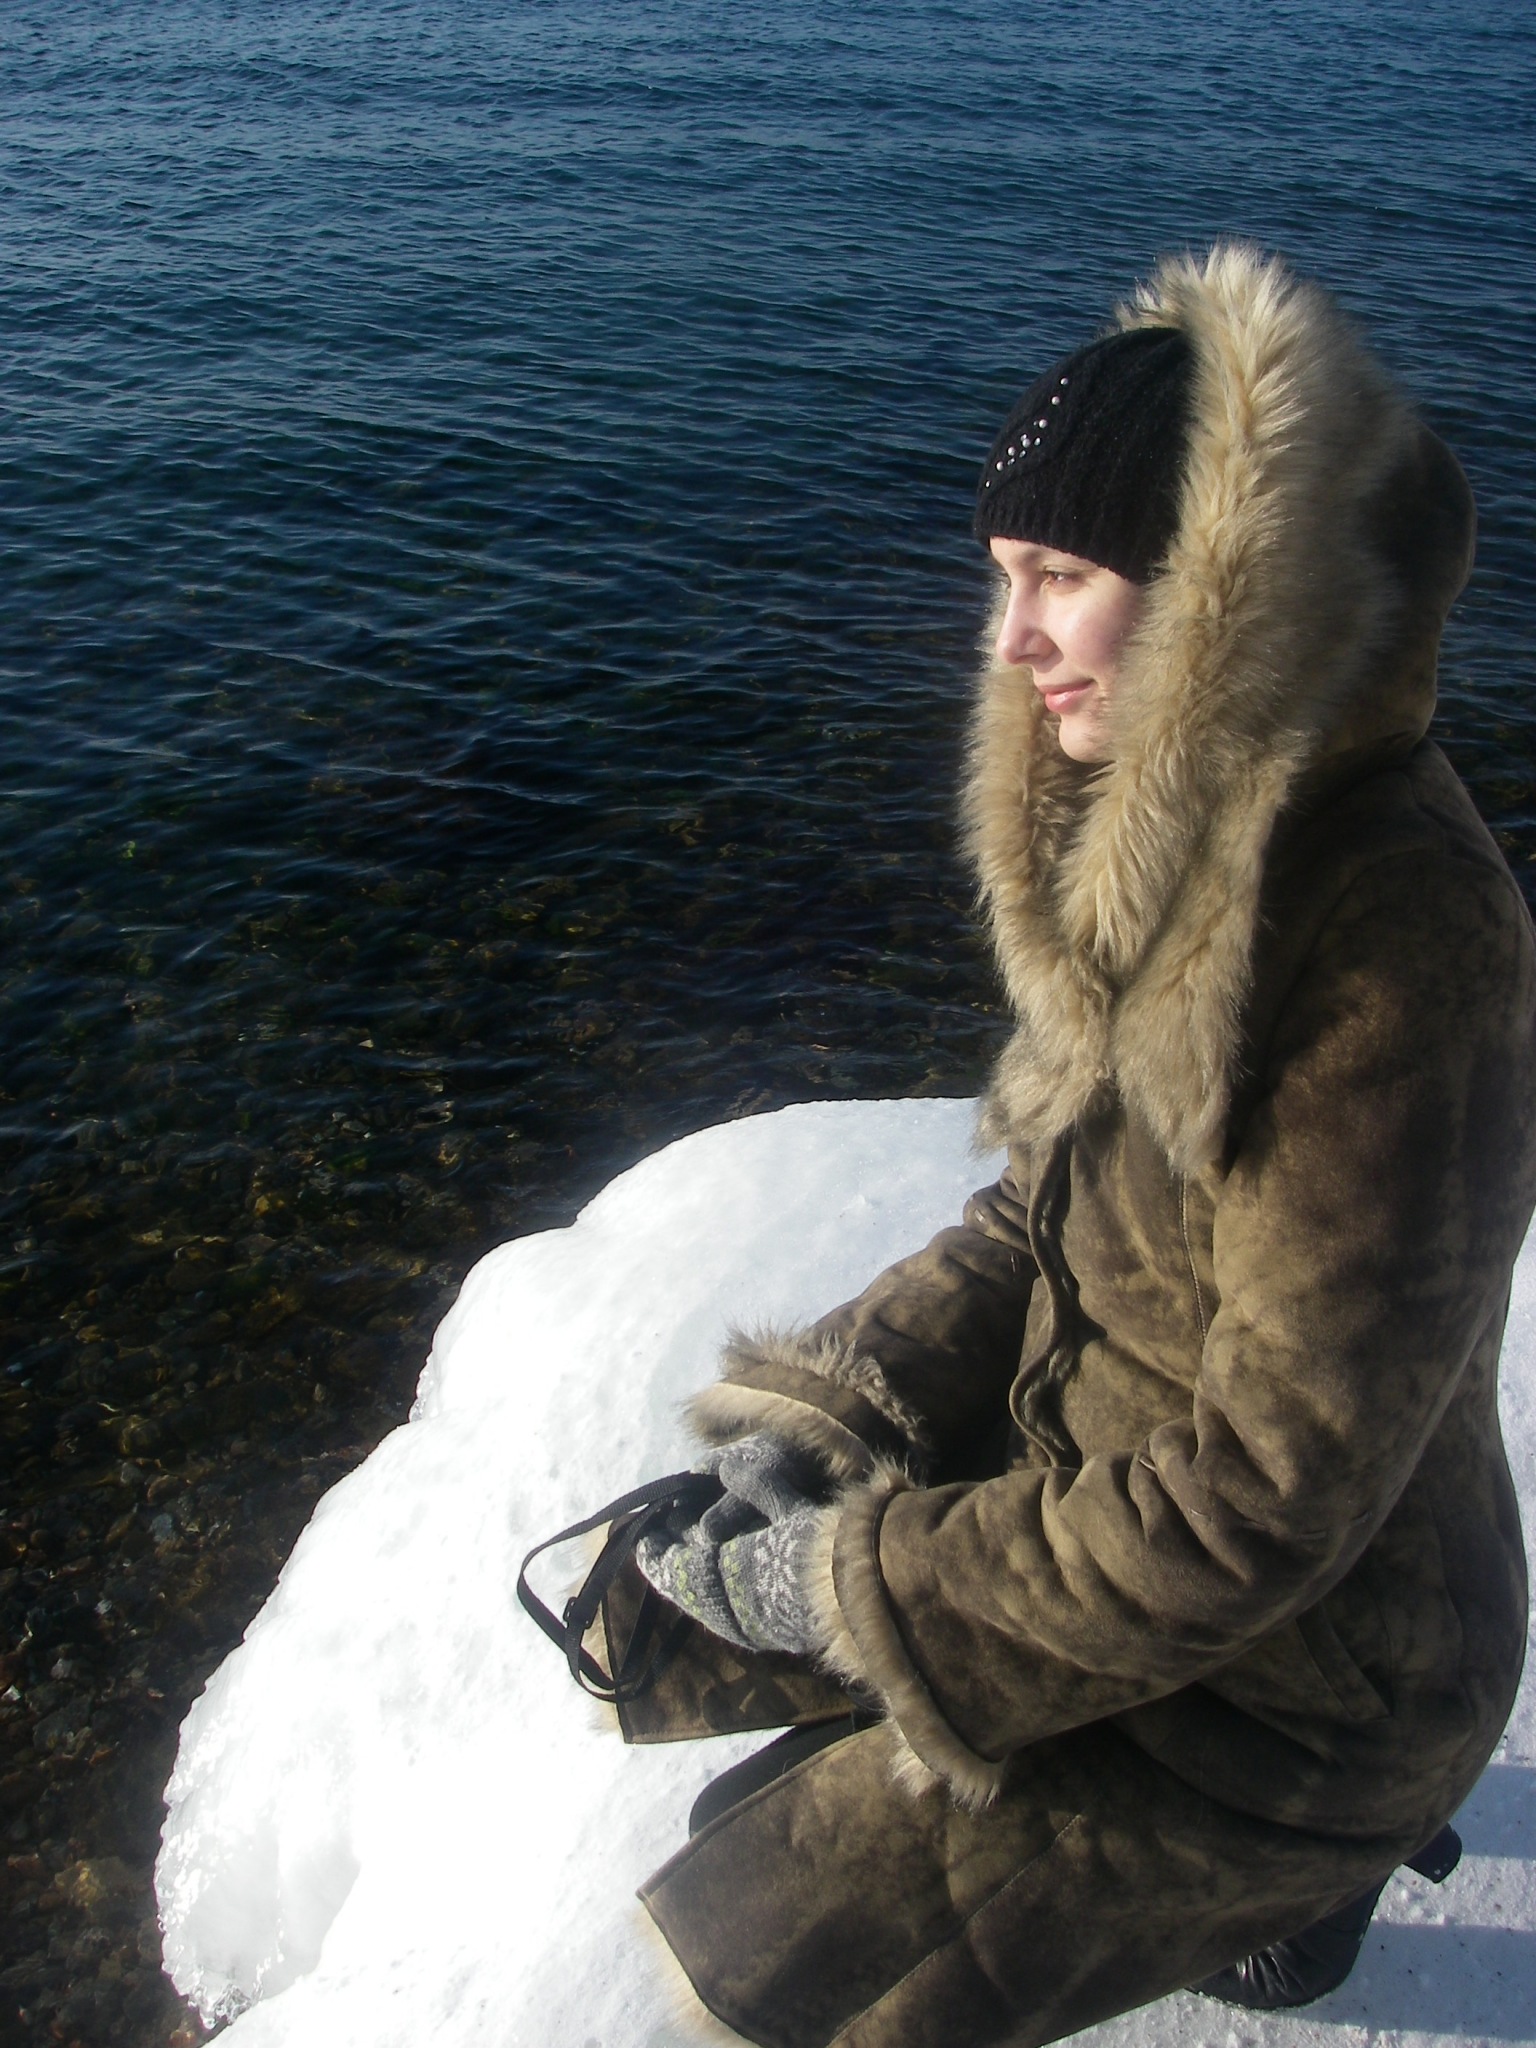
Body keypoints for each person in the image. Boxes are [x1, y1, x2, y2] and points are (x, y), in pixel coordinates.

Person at [612, 244, 1536, 2048]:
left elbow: (1269, 1498)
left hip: (1311, 1673)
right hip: (1122, 1499)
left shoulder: (1393, 949)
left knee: (779, 1960)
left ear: (1220, 596)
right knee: (657, 1643)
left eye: (1060, 580)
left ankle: (1312, 1873)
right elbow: (1047, 1209)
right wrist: (839, 1412)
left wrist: (866, 1587)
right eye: (1002, 578)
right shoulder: (1170, 836)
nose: (1009, 640)